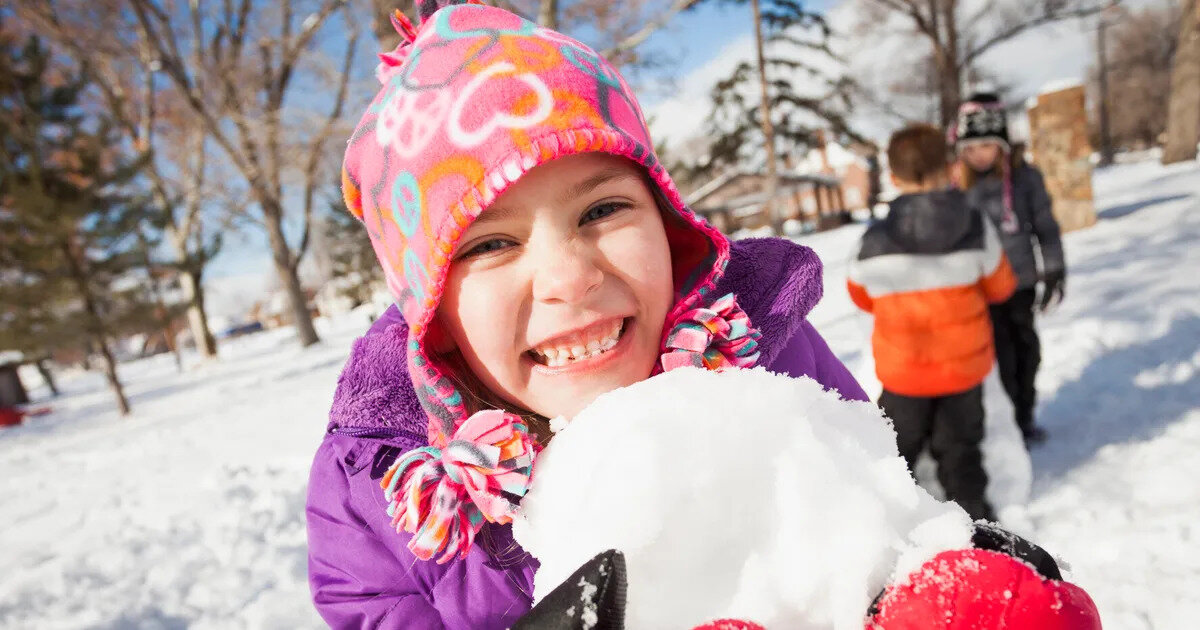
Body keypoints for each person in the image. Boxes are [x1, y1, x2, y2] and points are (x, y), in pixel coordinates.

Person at [305, 4, 1099, 628]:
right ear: (430, 310)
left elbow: (866, 521)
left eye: (603, 209)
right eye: (490, 243)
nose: (571, 277)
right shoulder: (382, 503)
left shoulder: (762, 352)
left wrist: (924, 580)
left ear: (670, 223)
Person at [847, 123, 1017, 523]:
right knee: (962, 456)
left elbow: (861, 295)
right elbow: (1002, 286)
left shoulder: (872, 241)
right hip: (963, 372)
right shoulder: (975, 227)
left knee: (895, 454)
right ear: (948, 168)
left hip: (904, 375)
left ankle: (892, 525)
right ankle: (976, 528)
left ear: (892, 177)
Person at [953, 92, 1066, 445]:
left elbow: (1045, 227)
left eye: (985, 146)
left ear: (1001, 143)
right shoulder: (959, 187)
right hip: (981, 290)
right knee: (999, 358)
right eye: (969, 148)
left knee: (1026, 353)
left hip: (1021, 283)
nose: (978, 155)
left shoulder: (1025, 179)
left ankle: (1025, 416)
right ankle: (1008, 427)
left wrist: (1053, 271)